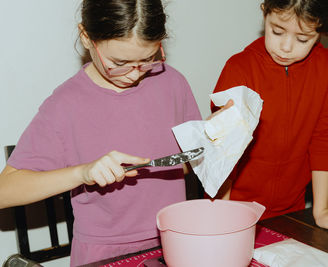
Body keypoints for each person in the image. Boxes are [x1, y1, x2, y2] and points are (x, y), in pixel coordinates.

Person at [0, 0, 201, 265]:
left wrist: (221, 137)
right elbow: (5, 191)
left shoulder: (172, 82)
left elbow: (191, 163)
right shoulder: (65, 105)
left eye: (147, 59)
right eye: (119, 62)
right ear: (86, 37)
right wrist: (82, 173)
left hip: (175, 242)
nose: (133, 74)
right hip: (105, 254)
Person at [212, 0, 328, 235]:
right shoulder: (240, 68)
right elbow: (223, 151)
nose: (286, 47)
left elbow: (325, 139)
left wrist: (321, 210)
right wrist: (222, 215)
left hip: (291, 211)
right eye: (277, 31)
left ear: (321, 30)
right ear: (265, 13)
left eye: (302, 39)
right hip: (233, 208)